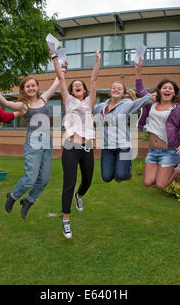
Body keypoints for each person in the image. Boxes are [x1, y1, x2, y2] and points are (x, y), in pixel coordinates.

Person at [0, 73, 63, 219]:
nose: (31, 88)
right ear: (24, 89)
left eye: (33, 85)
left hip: (47, 142)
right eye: (28, 86)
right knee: (31, 177)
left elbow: (57, 82)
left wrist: (62, 67)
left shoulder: (43, 98)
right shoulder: (23, 106)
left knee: (44, 179)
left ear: (37, 87)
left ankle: (29, 200)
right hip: (33, 142)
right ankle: (12, 196)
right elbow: (7, 104)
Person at [51, 49, 100, 239]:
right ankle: (65, 220)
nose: (77, 86)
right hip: (71, 147)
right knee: (68, 183)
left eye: (81, 85)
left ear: (85, 90)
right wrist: (55, 58)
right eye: (75, 85)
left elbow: (94, 79)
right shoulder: (68, 101)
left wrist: (97, 61)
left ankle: (79, 197)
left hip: (87, 147)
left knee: (87, 180)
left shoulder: (90, 102)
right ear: (71, 91)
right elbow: (61, 79)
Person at [135, 59, 180, 189]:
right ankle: (170, 170)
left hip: (169, 151)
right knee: (148, 182)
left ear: (174, 93)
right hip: (152, 151)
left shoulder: (179, 109)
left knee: (161, 185)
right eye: (164, 87)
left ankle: (178, 169)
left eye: (170, 88)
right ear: (159, 91)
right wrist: (138, 71)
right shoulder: (151, 103)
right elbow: (140, 90)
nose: (167, 90)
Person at [94, 81, 156, 183]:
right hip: (107, 147)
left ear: (123, 93)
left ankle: (127, 166)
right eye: (114, 88)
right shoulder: (101, 106)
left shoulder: (126, 104)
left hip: (124, 146)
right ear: (110, 91)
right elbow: (89, 107)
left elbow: (140, 102)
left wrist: (151, 96)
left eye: (119, 88)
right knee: (106, 178)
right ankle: (117, 166)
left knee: (122, 175)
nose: (116, 90)